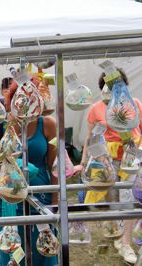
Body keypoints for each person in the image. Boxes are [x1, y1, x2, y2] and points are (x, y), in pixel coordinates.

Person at [0, 75, 58, 266]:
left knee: (43, 246)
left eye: (31, 98)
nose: (26, 102)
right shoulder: (1, 122)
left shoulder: (48, 124)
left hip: (39, 193)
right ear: (13, 99)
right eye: (21, 98)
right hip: (8, 193)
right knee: (11, 246)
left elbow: (54, 166)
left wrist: (55, 200)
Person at [76, 68, 142, 264]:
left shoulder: (136, 104)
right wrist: (83, 162)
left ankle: (126, 242)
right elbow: (90, 137)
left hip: (131, 157)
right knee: (112, 199)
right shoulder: (96, 108)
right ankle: (117, 233)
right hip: (106, 158)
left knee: (128, 197)